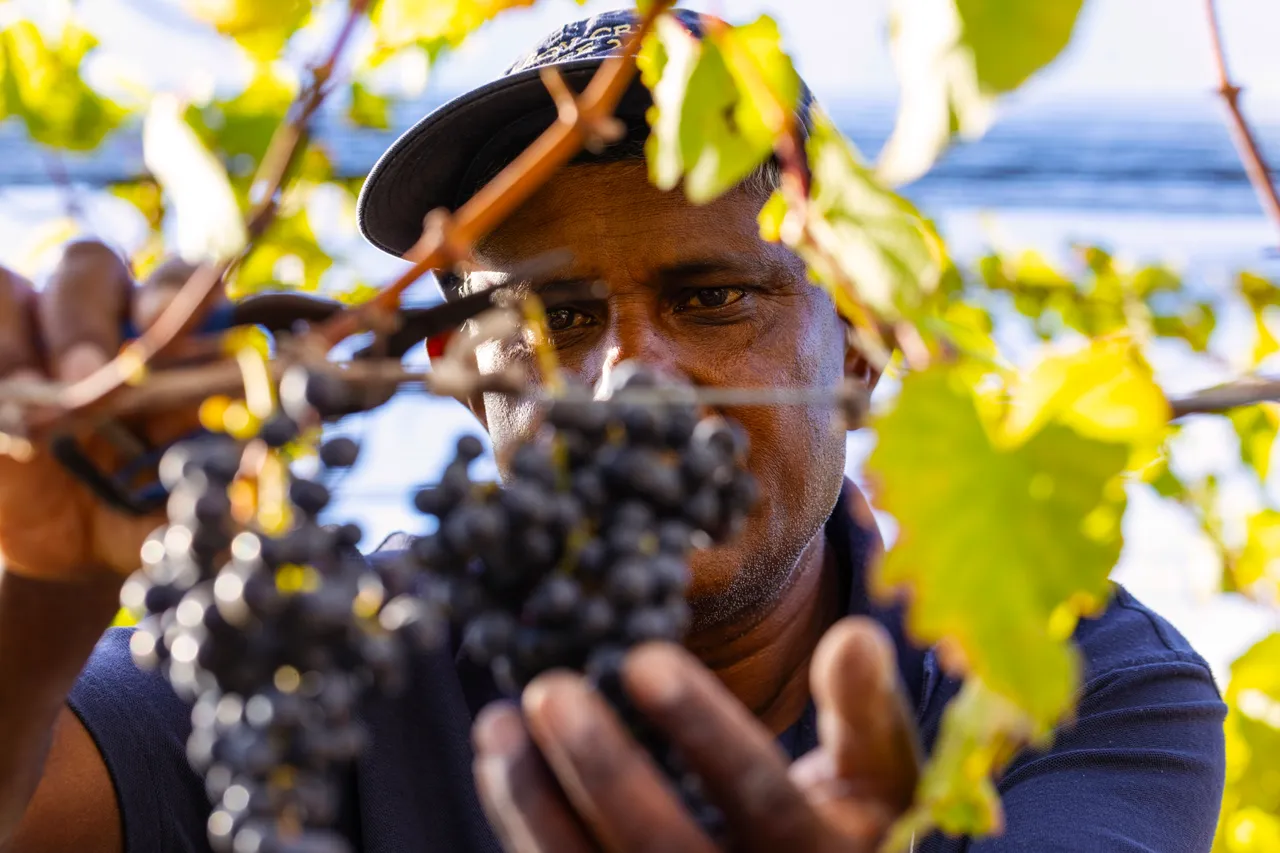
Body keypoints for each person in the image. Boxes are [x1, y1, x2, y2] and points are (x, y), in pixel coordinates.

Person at [0, 8, 1226, 853]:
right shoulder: (321, 645)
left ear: (855, 341)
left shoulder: (1066, 681)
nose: (635, 374)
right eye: (561, 317)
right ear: (466, 377)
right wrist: (40, 586)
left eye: (711, 298)